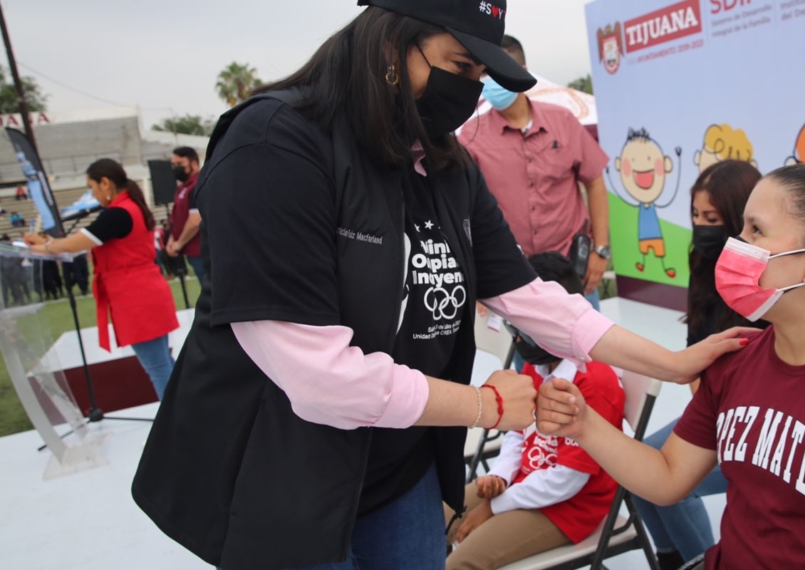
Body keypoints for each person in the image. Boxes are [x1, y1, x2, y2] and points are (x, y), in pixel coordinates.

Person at [130, 4, 748, 570]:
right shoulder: (276, 147)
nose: (470, 90)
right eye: (459, 66)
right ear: (390, 44)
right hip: (286, 476)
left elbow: (527, 295)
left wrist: (671, 363)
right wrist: (488, 407)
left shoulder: (444, 161)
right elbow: (319, 378)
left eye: (480, 73)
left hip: (401, 470)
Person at [539, 162, 805, 570]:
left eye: (756, 231)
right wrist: (584, 425)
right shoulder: (736, 359)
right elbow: (668, 477)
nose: (734, 243)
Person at [444, 252, 624, 570]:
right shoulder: (539, 362)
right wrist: (499, 475)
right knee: (432, 519)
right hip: (523, 485)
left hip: (568, 508)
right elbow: (518, 431)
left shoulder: (595, 383)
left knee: (461, 562)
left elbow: (568, 480)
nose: (515, 328)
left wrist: (495, 507)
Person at [632, 159, 761, 570]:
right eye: (695, 216)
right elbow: (695, 354)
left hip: (757, 421)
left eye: (713, 218)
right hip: (717, 409)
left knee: (671, 483)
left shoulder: (767, 280)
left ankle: (703, 563)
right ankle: (674, 561)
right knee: (640, 470)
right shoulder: (702, 264)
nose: (702, 226)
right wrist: (708, 415)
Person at [459, 35, 611, 311]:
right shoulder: (471, 135)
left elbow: (595, 181)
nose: (490, 84)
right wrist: (477, 275)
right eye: (485, 75)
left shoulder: (562, 121)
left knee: (586, 350)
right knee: (526, 355)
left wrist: (601, 250)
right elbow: (464, 210)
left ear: (522, 72)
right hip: (513, 278)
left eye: (498, 73)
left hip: (572, 272)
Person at [22, 159, 179, 400]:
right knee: (163, 363)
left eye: (91, 187)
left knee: (158, 367)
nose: (92, 194)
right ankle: (184, 418)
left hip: (136, 297)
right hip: (145, 293)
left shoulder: (118, 214)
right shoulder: (129, 208)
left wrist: (44, 246)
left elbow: (74, 243)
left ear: (105, 183)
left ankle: (176, 425)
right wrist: (46, 245)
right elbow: (74, 244)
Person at [166, 146, 204, 282]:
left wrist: (179, 243)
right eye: (173, 165)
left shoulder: (199, 184)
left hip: (204, 249)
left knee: (214, 291)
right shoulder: (183, 187)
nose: (176, 168)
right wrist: (172, 239)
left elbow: (195, 220)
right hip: (193, 249)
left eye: (180, 164)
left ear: (193, 163)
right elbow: (178, 218)